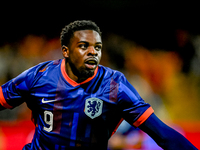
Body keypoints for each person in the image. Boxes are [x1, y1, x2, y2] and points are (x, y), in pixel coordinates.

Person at [0, 20, 197, 150]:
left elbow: (161, 134)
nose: (93, 52)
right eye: (84, 46)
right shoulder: (39, 76)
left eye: (97, 47)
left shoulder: (115, 86)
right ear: (66, 51)